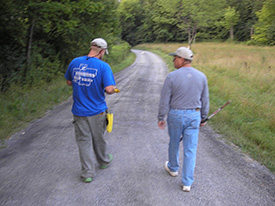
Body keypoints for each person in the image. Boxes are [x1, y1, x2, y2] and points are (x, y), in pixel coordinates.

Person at [158, 47, 209, 192]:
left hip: (176, 115)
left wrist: (161, 117)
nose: (173, 60)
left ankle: (173, 168)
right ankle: (187, 182)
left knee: (174, 142)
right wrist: (203, 117)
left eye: (175, 58)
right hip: (194, 116)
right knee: (190, 149)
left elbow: (164, 100)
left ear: (182, 59)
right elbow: (205, 100)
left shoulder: (172, 76)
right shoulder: (201, 76)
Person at [65, 38, 116, 183]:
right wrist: (112, 89)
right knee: (98, 137)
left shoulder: (75, 62)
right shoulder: (103, 66)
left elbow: (69, 81)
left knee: (83, 141)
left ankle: (87, 173)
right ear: (102, 51)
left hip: (79, 111)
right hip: (97, 111)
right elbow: (109, 89)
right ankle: (104, 161)